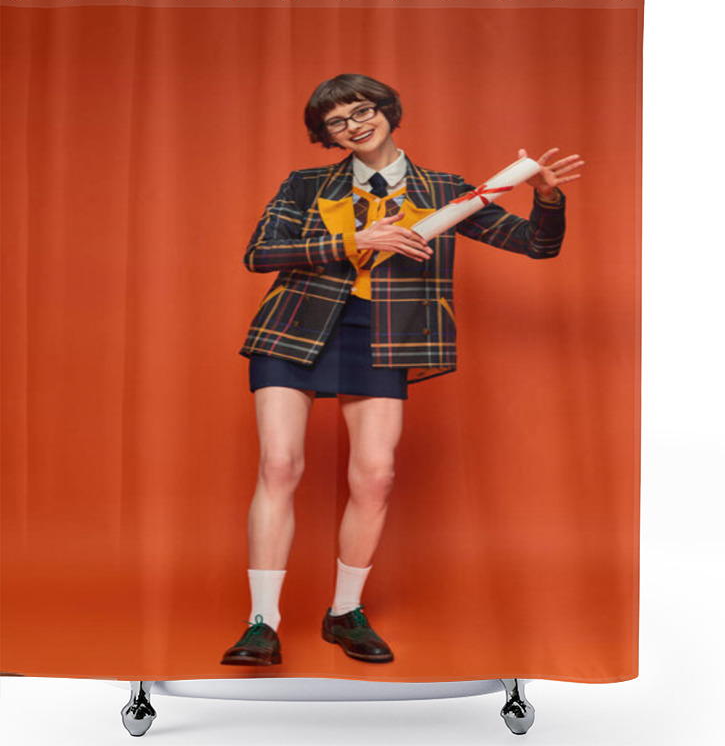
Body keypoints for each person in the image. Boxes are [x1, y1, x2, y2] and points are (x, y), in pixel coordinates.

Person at [220, 73, 583, 667]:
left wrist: (545, 195)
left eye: (363, 110)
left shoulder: (445, 190)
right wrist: (351, 239)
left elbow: (538, 246)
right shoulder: (307, 184)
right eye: (337, 121)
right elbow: (259, 252)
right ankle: (262, 622)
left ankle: (344, 612)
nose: (354, 125)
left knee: (375, 475)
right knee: (279, 464)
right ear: (327, 136)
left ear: (387, 111)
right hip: (293, 326)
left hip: (383, 335)